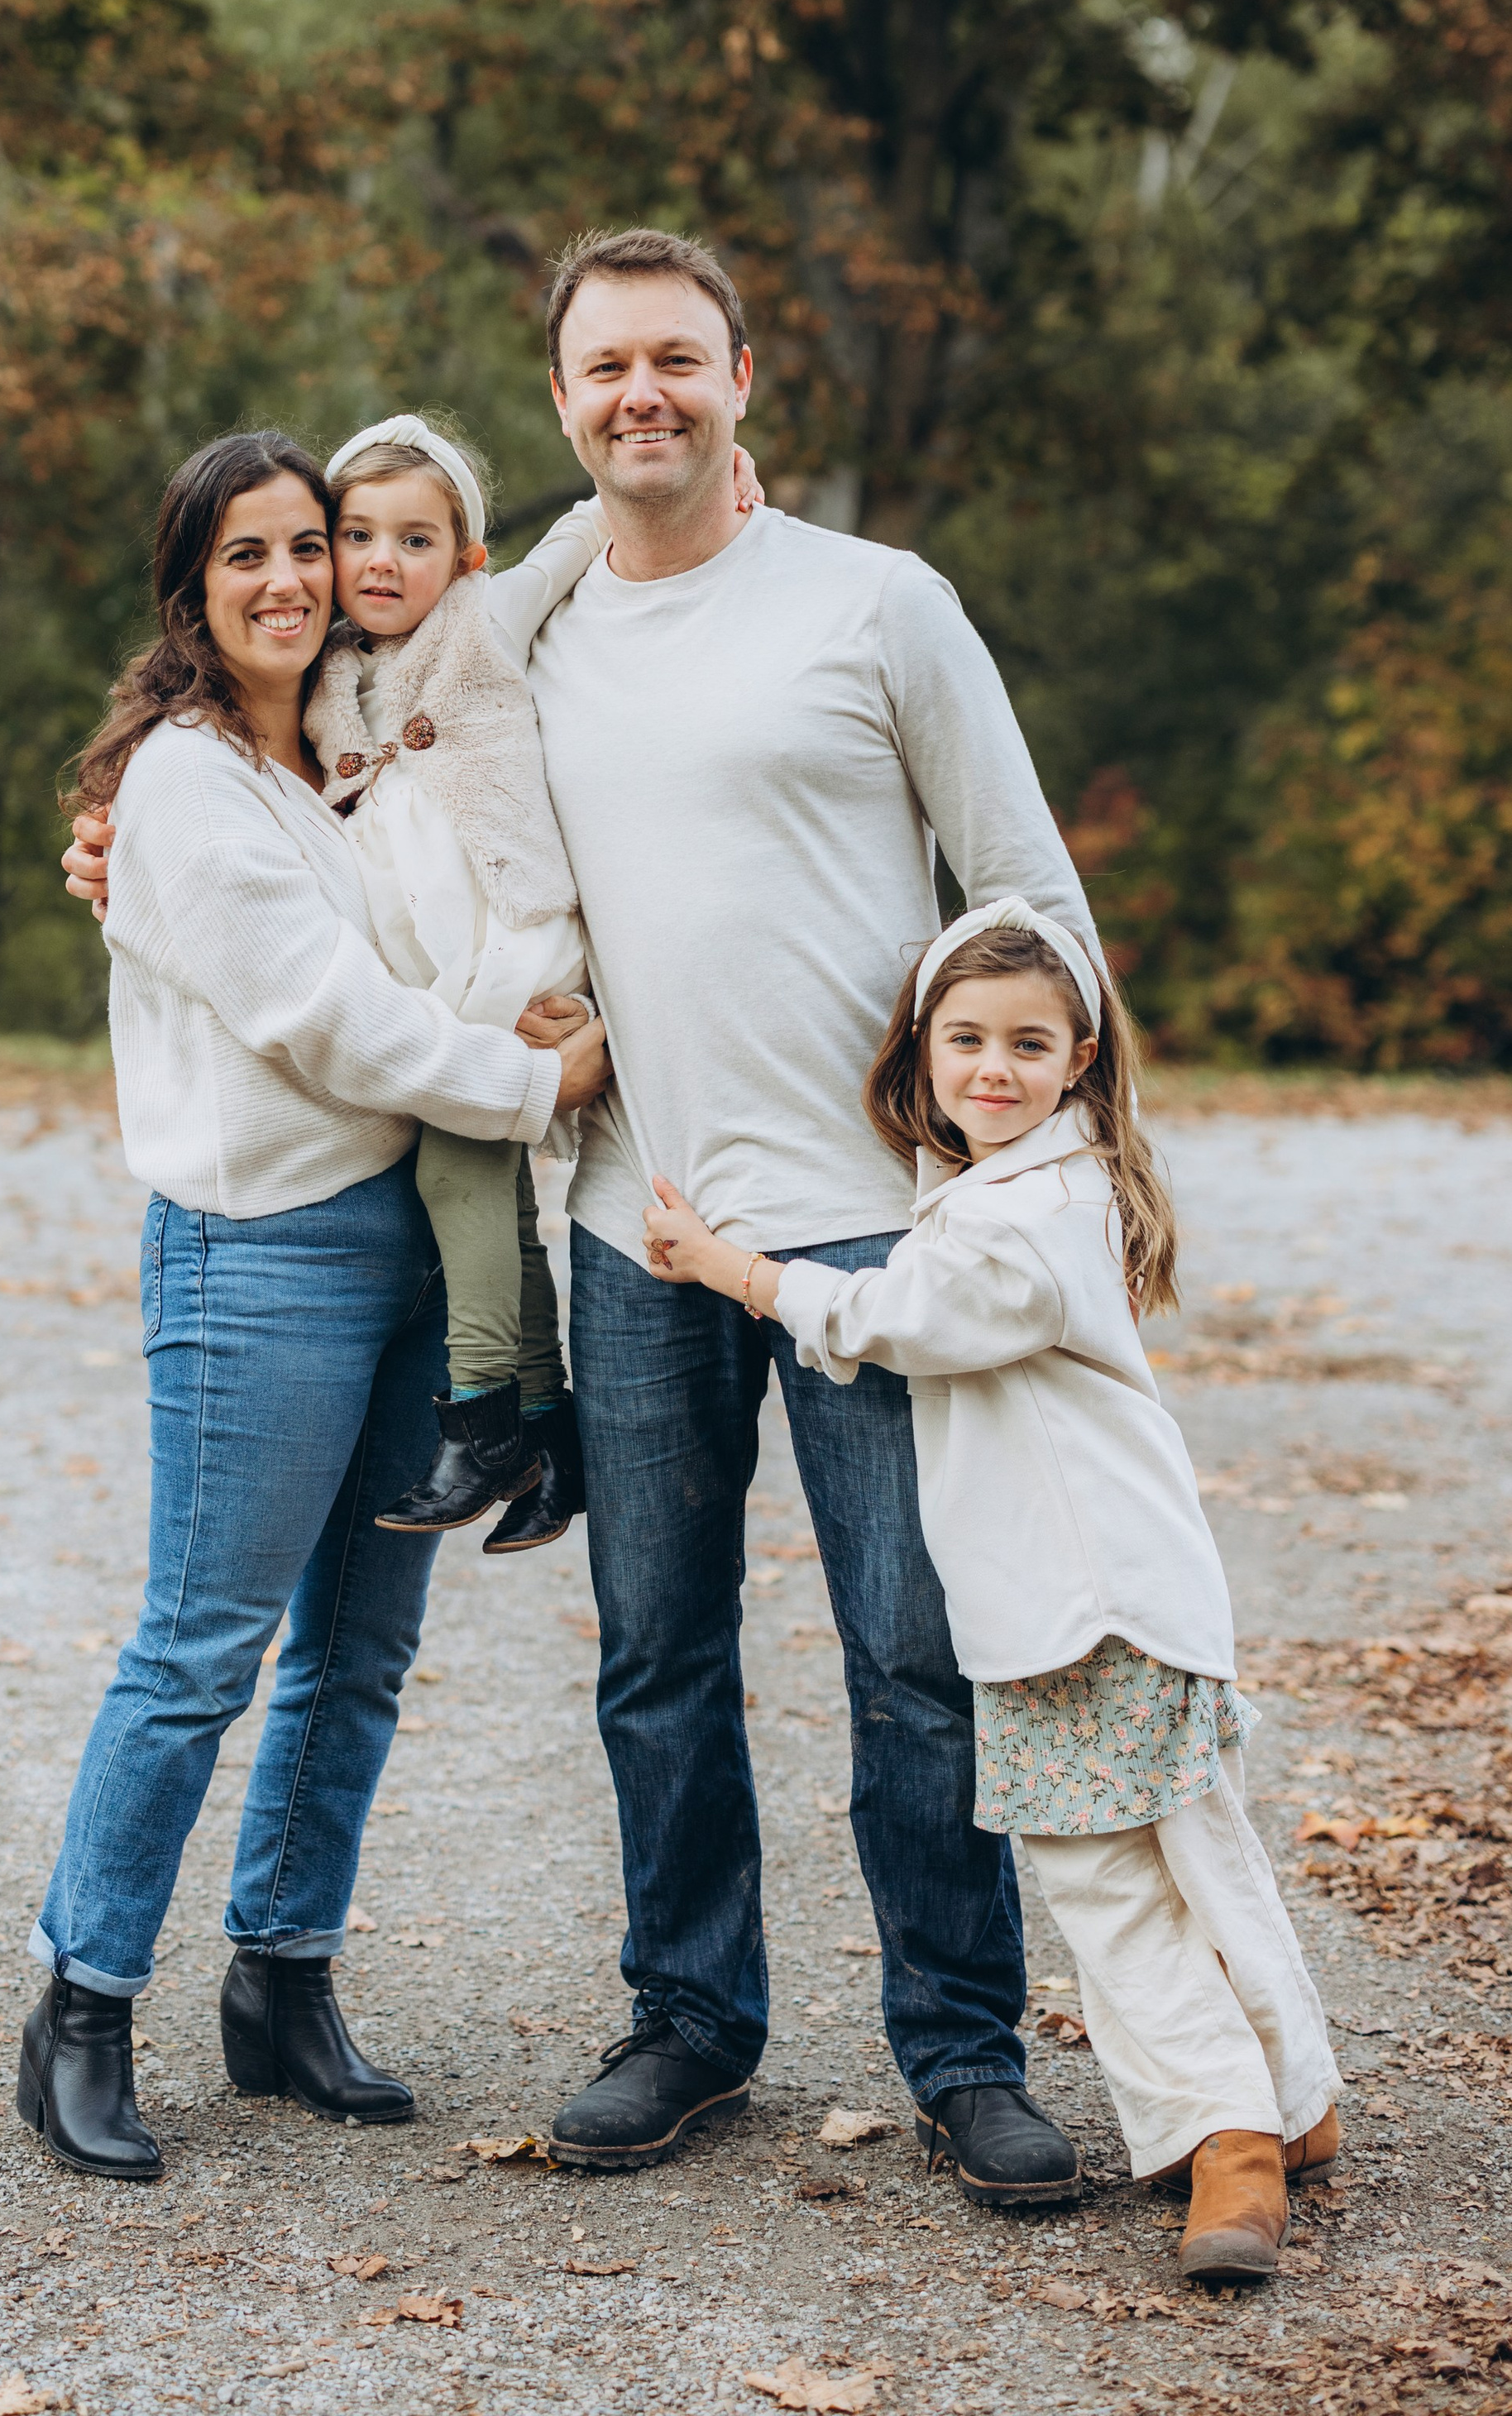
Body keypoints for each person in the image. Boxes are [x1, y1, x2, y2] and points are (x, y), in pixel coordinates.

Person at [66, 227, 1099, 2195]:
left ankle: (961, 2045)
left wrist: (1046, 1167)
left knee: (911, 1647)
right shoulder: (510, 636)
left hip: (870, 1228)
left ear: (735, 379)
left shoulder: (879, 606)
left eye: (675, 361)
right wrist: (126, 838)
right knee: (655, 1650)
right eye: (604, 365)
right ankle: (688, 2018)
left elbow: (1028, 895)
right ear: (560, 406)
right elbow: (331, 814)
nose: (642, 393)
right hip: (631, 1228)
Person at [18, 429, 611, 2181]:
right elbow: (324, 1019)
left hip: (401, 1241)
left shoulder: (342, 746)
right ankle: (80, 1998)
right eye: (247, 557)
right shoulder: (187, 782)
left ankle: (281, 1982)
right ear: (193, 591)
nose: (289, 579)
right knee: (201, 1644)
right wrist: (528, 1091)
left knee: (361, 1645)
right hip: (257, 1249)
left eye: (309, 545)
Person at [641, 897, 1342, 2282]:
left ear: (1080, 1055)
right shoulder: (1037, 1184)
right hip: (1135, 1596)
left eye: (1028, 1043)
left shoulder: (1019, 1218)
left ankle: (1231, 2146)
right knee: (1196, 1857)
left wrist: (731, 1265)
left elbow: (892, 1315)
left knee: (1111, 1884)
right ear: (926, 1045)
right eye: (965, 1038)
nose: (993, 1069)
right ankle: (1292, 2097)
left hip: (1078, 1611)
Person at [305, 411, 597, 1550]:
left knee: (454, 1164)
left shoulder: (485, 621)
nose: (383, 561)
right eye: (358, 534)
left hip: (508, 945)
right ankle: (546, 1433)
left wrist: (725, 470)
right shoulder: (329, 676)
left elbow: (577, 539)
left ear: (465, 556)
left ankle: (481, 1416)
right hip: (435, 975)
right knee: (495, 1195)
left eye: (416, 540)